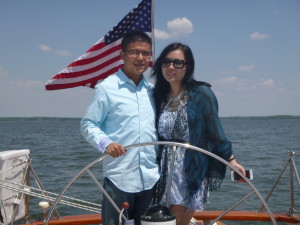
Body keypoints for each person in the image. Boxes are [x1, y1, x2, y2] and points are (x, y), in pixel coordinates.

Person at [151, 42, 246, 225]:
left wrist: (231, 160)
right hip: (161, 168)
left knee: (175, 221)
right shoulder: (158, 95)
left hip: (189, 168)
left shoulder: (201, 93)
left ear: (188, 67)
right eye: (166, 62)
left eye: (178, 62)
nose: (171, 67)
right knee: (159, 219)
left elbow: (215, 130)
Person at [80, 31, 159, 225]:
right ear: (122, 55)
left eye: (146, 53)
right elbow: (88, 124)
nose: (140, 58)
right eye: (134, 52)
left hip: (152, 177)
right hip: (120, 177)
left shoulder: (153, 91)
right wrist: (106, 144)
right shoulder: (106, 88)